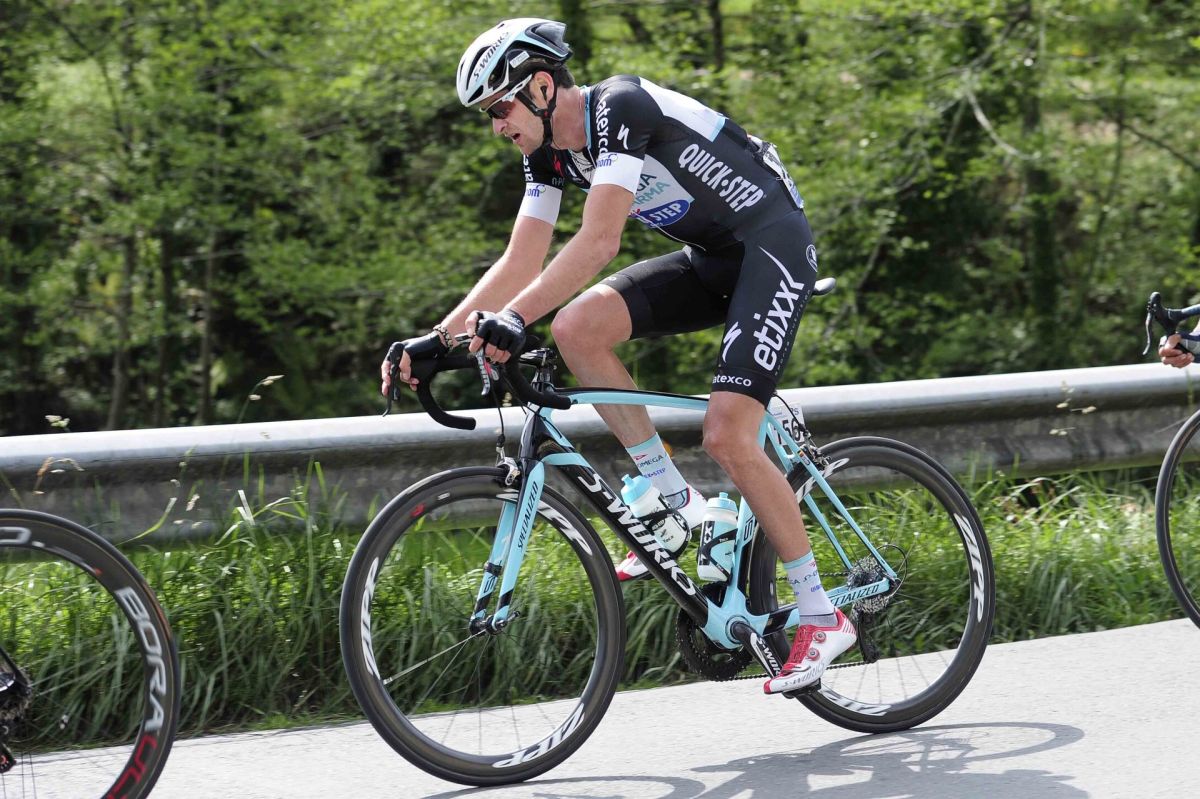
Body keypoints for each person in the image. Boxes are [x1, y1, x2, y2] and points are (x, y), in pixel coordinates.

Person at [379, 17, 855, 694]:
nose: (497, 125)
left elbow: (600, 241)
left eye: (501, 107)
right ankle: (679, 505)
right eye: (488, 115)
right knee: (577, 329)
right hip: (712, 259)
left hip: (771, 246)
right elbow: (521, 259)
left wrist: (514, 319)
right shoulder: (547, 155)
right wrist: (440, 337)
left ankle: (821, 612)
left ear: (542, 86)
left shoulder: (621, 107)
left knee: (726, 433)